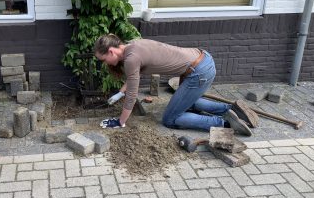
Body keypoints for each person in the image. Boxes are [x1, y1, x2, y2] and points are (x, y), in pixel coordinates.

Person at [94, 34, 253, 136]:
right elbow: (134, 77)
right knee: (186, 103)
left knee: (170, 118)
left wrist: (120, 122)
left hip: (198, 72)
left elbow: (132, 96)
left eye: (103, 60)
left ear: (111, 52)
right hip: (203, 59)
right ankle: (230, 110)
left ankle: (224, 123)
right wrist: (120, 93)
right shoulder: (134, 45)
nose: (104, 63)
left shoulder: (130, 59)